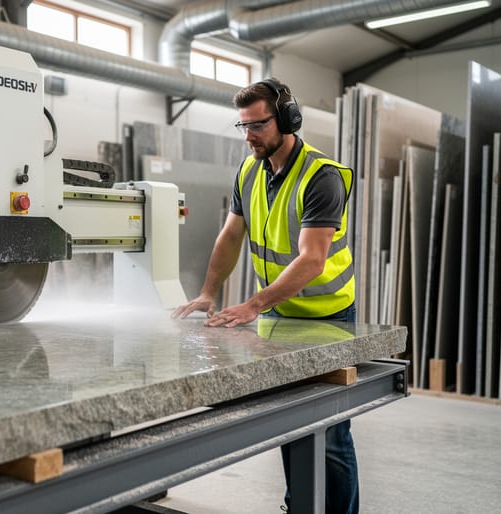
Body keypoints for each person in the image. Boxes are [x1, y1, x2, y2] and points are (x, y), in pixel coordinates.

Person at [171, 78, 358, 514]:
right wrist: (207, 292)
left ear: (289, 120)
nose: (250, 136)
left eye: (258, 126)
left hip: (326, 318)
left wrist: (253, 304)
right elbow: (231, 234)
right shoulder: (249, 171)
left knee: (329, 436)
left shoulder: (322, 176)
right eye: (243, 127)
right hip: (278, 317)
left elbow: (312, 260)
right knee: (291, 426)